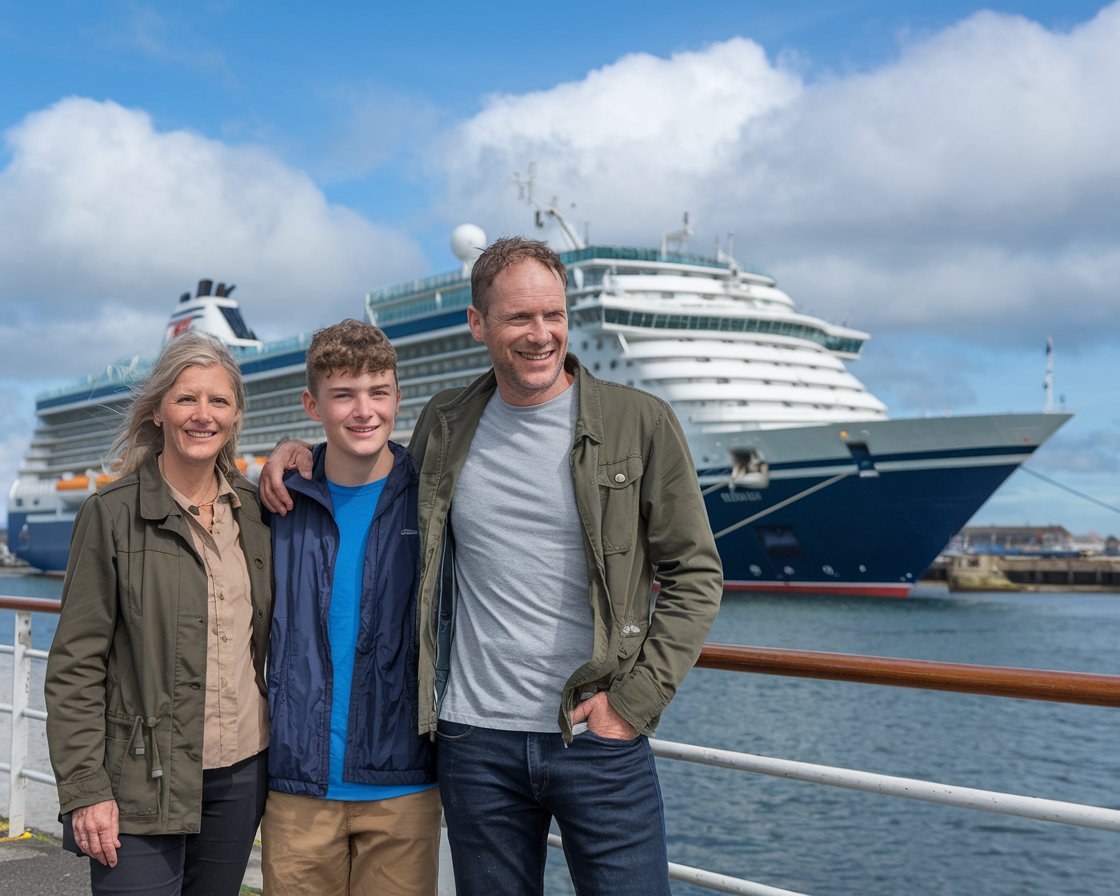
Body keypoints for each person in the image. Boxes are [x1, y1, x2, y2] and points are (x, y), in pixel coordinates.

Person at [259, 236, 723, 895]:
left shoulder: (639, 422)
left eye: (554, 315)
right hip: (474, 742)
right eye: (519, 318)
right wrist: (292, 452)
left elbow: (696, 575)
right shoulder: (447, 423)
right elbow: (365, 465)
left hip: (596, 734)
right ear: (478, 324)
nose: (542, 335)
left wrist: (634, 701)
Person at [45, 331, 272, 896]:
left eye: (218, 401)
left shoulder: (257, 513)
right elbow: (75, 666)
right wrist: (85, 789)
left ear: (236, 413)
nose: (203, 415)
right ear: (159, 411)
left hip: (241, 773)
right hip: (139, 779)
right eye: (187, 399)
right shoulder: (111, 514)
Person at [260, 319, 438, 896]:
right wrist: (278, 459)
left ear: (397, 397)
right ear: (313, 405)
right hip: (297, 786)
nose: (364, 411)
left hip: (402, 786)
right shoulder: (279, 504)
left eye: (378, 392)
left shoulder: (433, 496)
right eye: (343, 395)